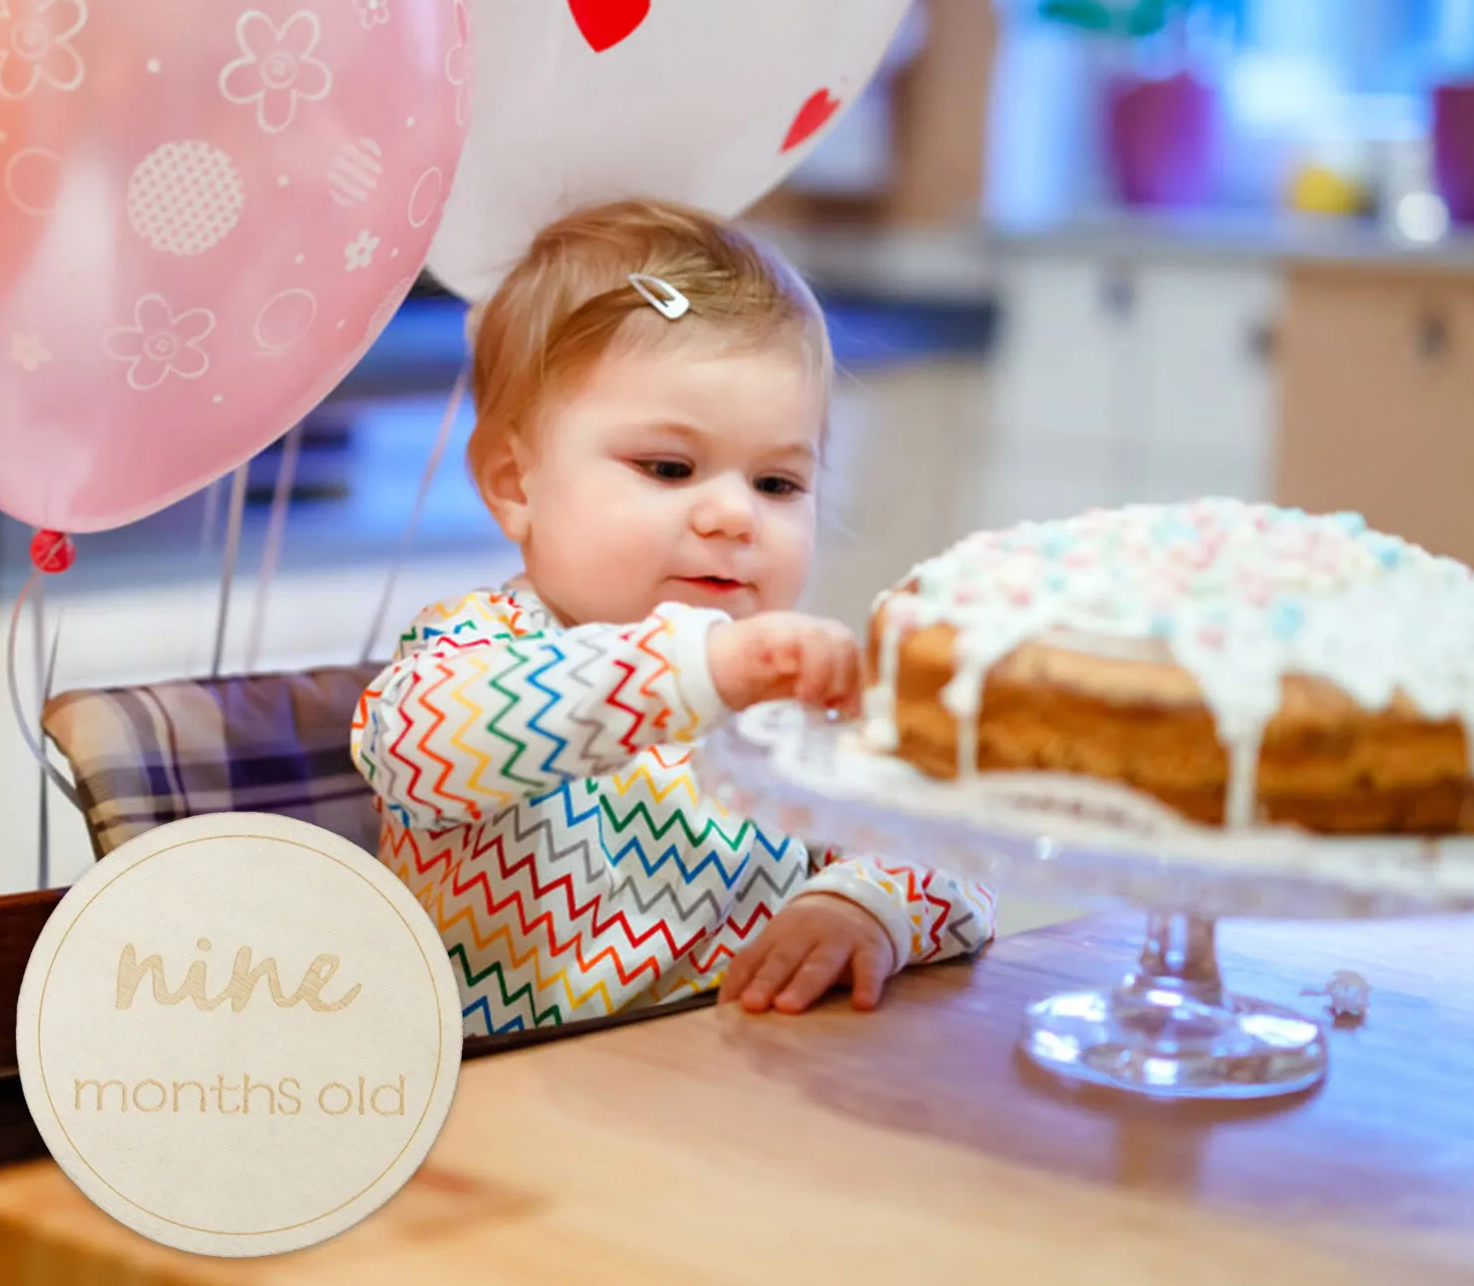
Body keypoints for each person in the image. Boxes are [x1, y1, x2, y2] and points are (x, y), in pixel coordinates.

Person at [352, 201, 993, 1037]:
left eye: (777, 484)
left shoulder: (787, 695)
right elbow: (419, 751)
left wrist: (861, 904)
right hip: (508, 1094)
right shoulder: (473, 653)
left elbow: (957, 848)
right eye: (668, 467)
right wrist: (690, 674)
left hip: (737, 1080)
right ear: (515, 484)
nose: (734, 516)